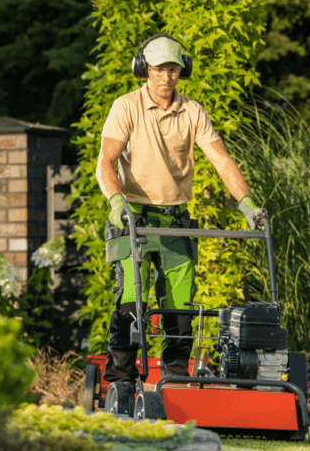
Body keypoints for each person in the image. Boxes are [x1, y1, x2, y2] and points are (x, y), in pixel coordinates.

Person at [95, 33, 263, 384]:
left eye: (173, 69)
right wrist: (115, 201)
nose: (165, 77)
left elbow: (221, 160)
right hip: (134, 221)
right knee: (131, 304)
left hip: (176, 223)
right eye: (158, 69)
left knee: (180, 312)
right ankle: (121, 382)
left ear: (181, 70)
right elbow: (106, 162)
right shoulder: (126, 106)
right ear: (144, 69)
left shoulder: (192, 111)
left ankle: (173, 382)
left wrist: (246, 203)